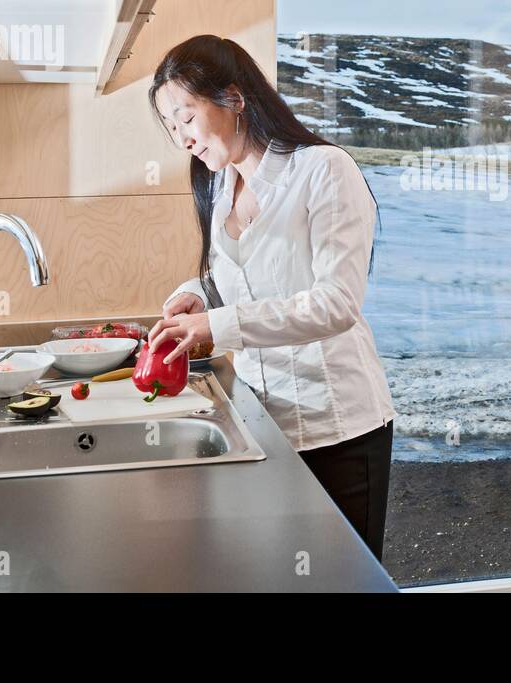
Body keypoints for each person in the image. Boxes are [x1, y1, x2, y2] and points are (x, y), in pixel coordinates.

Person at [146, 34, 396, 560]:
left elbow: (336, 303)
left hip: (339, 428)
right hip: (264, 419)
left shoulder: (324, 170)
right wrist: (196, 296)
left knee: (344, 578)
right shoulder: (219, 186)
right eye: (172, 128)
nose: (183, 140)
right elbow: (234, 284)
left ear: (235, 99)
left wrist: (219, 327)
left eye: (187, 118)